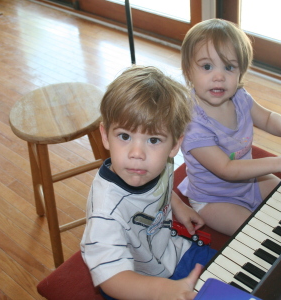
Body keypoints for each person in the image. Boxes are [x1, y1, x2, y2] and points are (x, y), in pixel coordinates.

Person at [178, 19, 281, 236]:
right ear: (188, 71)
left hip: (250, 180)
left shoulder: (239, 97)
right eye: (207, 66)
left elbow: (267, 118)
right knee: (257, 233)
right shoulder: (193, 124)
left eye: (229, 67)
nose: (219, 76)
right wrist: (277, 163)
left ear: (241, 71)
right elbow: (226, 170)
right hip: (214, 199)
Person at [80, 65, 217, 300]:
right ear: (105, 135)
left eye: (153, 139)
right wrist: (162, 291)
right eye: (124, 136)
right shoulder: (105, 211)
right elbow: (111, 279)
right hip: (133, 282)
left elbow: (159, 186)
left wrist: (177, 205)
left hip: (171, 251)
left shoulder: (160, 164)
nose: (137, 153)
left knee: (232, 271)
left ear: (175, 146)